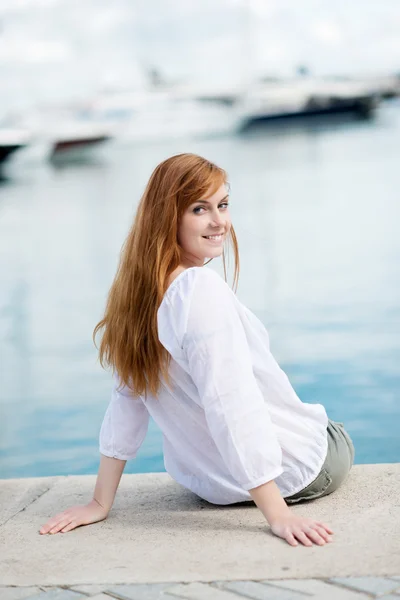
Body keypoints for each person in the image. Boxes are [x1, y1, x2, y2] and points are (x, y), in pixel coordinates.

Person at [39, 153, 355, 546]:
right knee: (331, 430)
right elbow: (231, 400)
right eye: (199, 208)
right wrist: (278, 515)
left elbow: (126, 399)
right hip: (296, 471)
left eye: (222, 205)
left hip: (211, 486)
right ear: (167, 217)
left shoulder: (138, 298)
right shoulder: (198, 290)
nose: (219, 221)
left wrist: (100, 501)